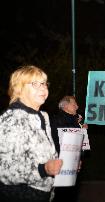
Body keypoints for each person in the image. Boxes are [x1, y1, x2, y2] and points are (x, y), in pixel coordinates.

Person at [0, 65, 63, 202]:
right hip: (19, 196)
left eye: (44, 83)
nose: (43, 87)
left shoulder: (42, 117)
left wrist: (65, 164)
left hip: (44, 195)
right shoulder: (12, 119)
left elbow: (45, 156)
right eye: (35, 84)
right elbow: (4, 171)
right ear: (19, 89)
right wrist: (43, 169)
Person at [50, 95, 88, 202]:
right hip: (62, 165)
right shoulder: (58, 120)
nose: (77, 106)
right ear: (65, 105)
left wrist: (82, 129)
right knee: (62, 195)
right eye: (74, 104)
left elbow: (79, 143)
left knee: (71, 194)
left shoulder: (73, 121)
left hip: (74, 164)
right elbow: (62, 142)